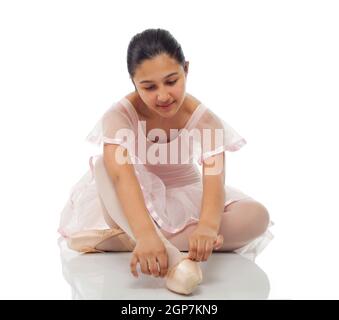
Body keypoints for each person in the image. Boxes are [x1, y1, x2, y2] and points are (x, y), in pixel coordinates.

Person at [58, 28, 274, 295]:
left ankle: (127, 242)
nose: (162, 96)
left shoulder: (206, 121)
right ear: (133, 82)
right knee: (104, 163)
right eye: (149, 87)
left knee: (257, 216)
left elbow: (214, 177)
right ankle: (166, 252)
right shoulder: (119, 117)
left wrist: (207, 227)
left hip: (185, 198)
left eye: (171, 81)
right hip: (132, 203)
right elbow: (121, 178)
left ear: (186, 69)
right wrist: (146, 233)